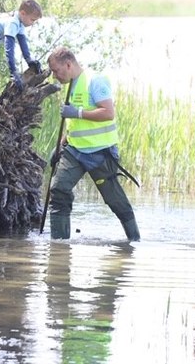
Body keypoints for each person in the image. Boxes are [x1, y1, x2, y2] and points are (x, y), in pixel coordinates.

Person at [46, 46, 140, 242]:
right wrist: (61, 145)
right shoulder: (71, 85)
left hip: (100, 154)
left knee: (115, 201)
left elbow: (108, 113)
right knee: (58, 189)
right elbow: (74, 124)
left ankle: (135, 241)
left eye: (56, 71)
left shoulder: (95, 81)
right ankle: (59, 246)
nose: (55, 76)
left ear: (69, 64)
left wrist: (77, 112)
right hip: (75, 151)